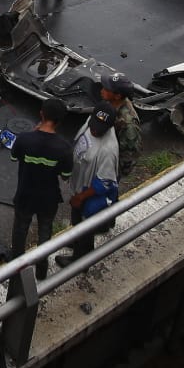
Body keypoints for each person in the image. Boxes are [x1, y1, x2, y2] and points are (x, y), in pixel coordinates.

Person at [9, 97, 74, 281]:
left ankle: (17, 269)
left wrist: (33, 133)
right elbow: (65, 175)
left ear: (41, 114)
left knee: (20, 230)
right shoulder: (64, 148)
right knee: (45, 231)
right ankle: (41, 271)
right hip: (48, 199)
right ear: (60, 121)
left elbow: (14, 158)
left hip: (25, 195)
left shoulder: (24, 139)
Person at [55, 106, 120, 268]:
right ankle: (78, 242)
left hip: (88, 194)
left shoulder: (108, 150)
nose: (95, 131)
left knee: (85, 225)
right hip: (78, 185)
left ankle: (81, 261)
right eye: (94, 125)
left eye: (100, 129)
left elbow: (105, 181)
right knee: (77, 221)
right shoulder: (90, 124)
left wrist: (80, 197)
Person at [97, 73, 142, 177]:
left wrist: (112, 173)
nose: (102, 90)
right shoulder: (111, 103)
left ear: (117, 96)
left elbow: (129, 156)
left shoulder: (128, 124)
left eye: (106, 89)